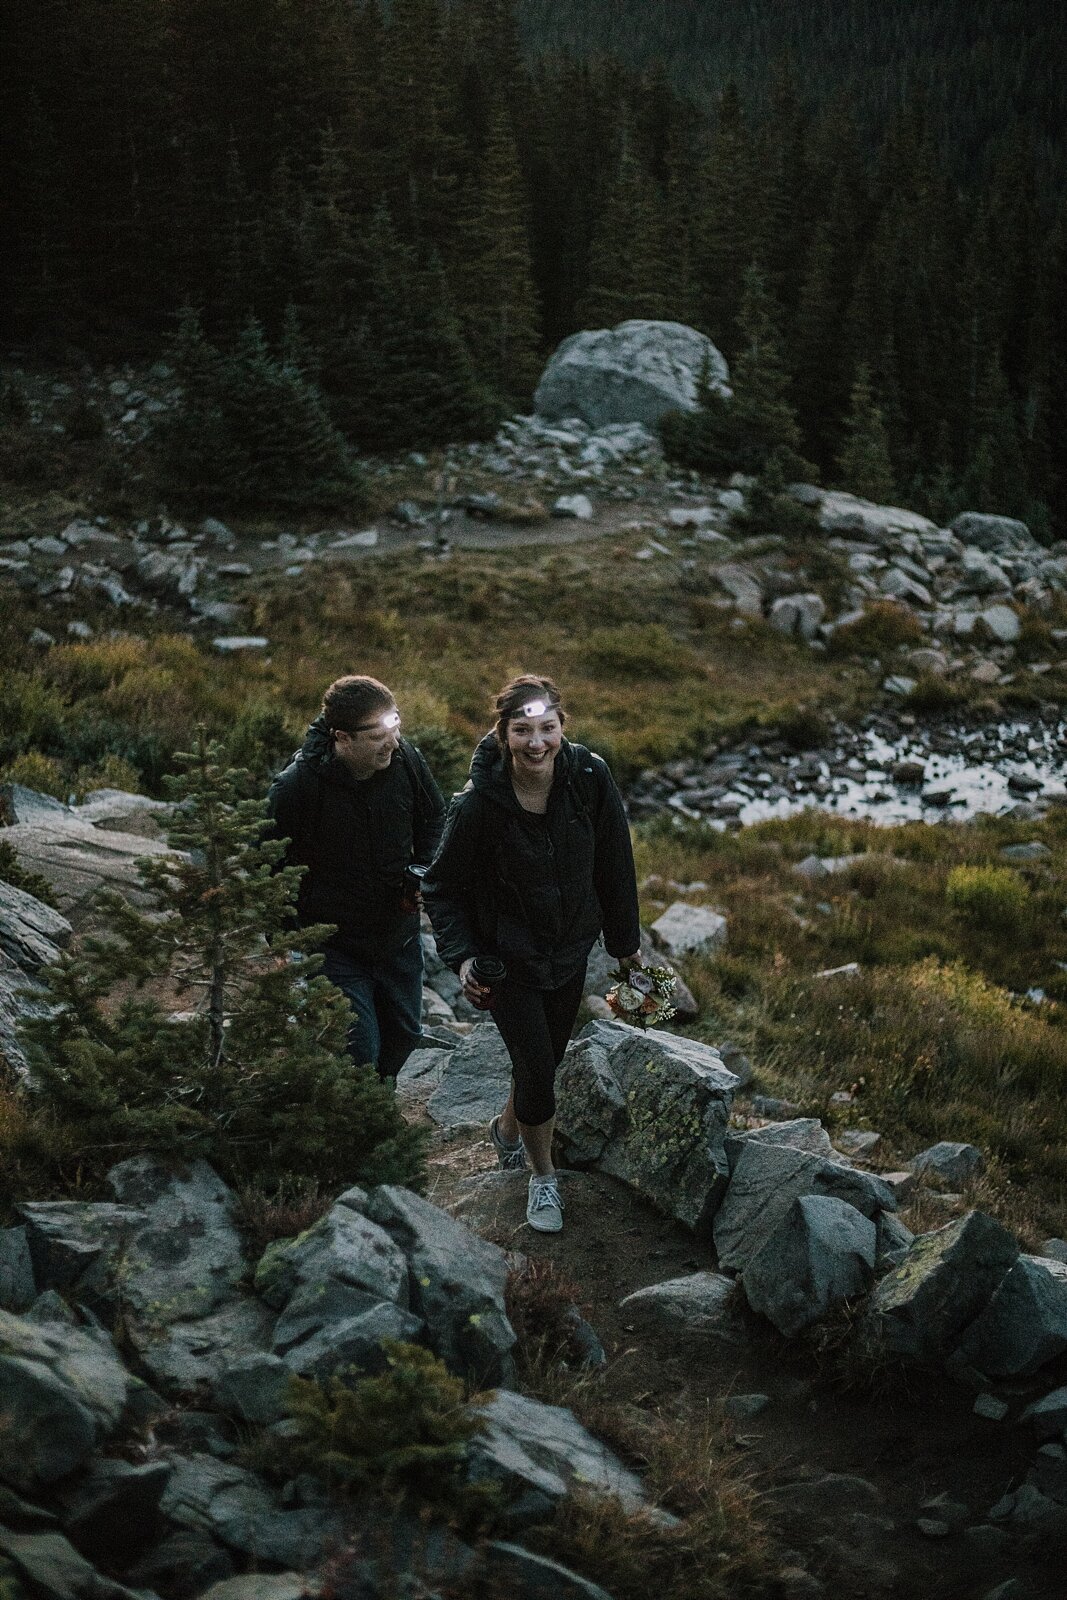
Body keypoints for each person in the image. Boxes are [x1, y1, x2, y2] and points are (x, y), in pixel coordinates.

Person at [423, 675, 641, 1232]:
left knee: (542, 1056)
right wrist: (465, 957)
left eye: (547, 729)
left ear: (562, 728)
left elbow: (615, 862)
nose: (536, 742)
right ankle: (543, 1178)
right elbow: (442, 888)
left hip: (570, 950)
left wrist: (624, 947)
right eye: (522, 730)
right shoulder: (477, 807)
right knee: (539, 1068)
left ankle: (505, 1131)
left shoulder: (589, 778)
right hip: (508, 959)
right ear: (503, 734)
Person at [267, 674, 445, 1084]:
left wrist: (422, 871)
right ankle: (364, 1133)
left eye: (395, 726)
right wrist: (286, 944)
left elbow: (434, 819)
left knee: (403, 1039)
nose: (393, 742)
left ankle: (374, 1120)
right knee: (358, 1050)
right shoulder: (297, 788)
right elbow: (270, 867)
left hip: (396, 938)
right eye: (379, 733)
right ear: (342, 738)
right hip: (333, 947)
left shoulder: (406, 761)